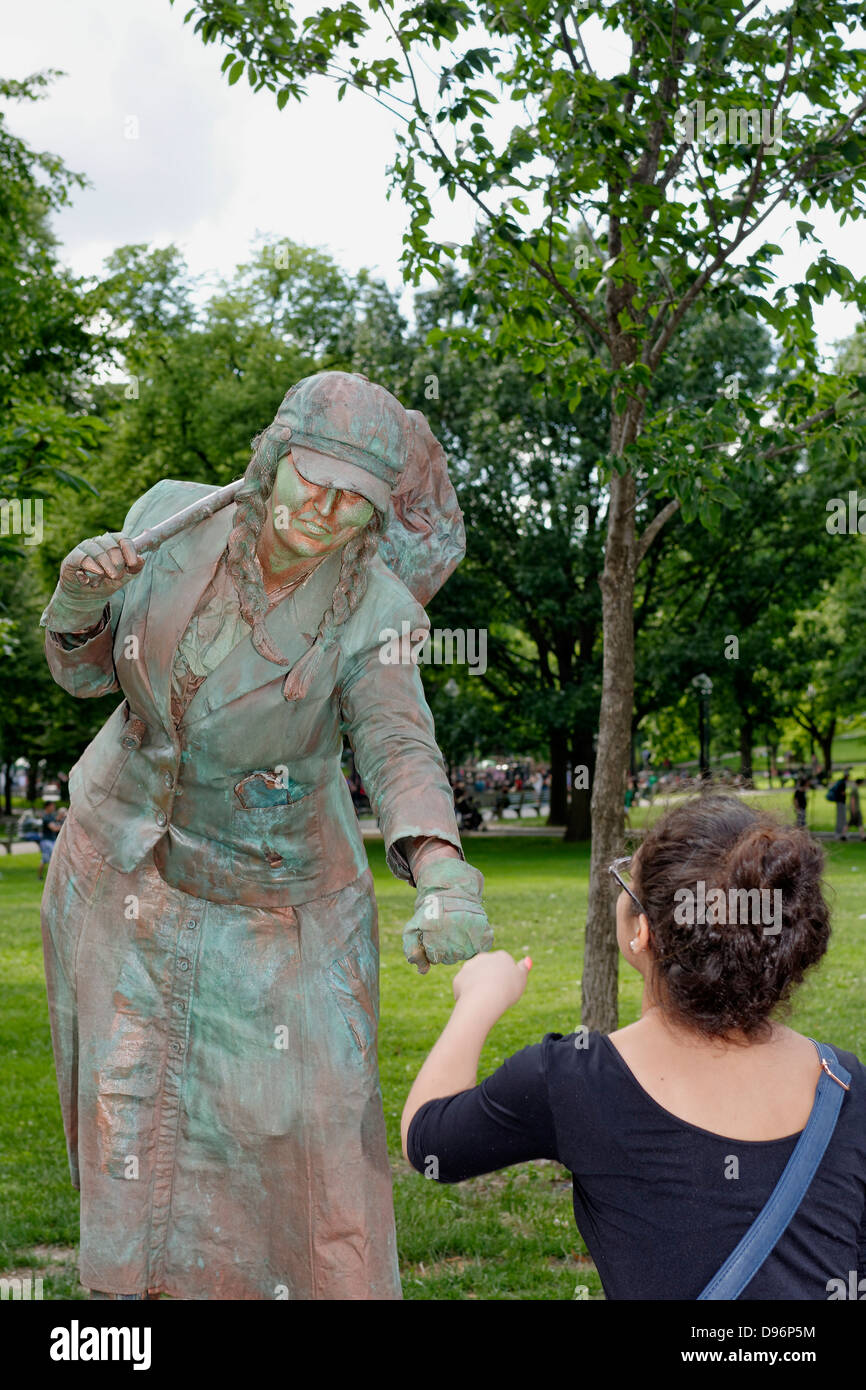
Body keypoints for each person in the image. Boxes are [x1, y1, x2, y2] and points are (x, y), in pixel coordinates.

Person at [39, 371, 493, 1301]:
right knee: (127, 1116)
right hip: (120, 866)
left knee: (310, 1127)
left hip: (279, 898)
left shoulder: (381, 618)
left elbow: (401, 746)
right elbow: (89, 678)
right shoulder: (172, 519)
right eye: (311, 479)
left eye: (355, 503)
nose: (323, 512)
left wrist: (442, 868)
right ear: (272, 459)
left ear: (377, 519)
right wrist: (77, 602)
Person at [402, 795, 866, 1299]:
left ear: (642, 932)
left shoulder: (574, 1080)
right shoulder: (845, 1083)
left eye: (627, 880)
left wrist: (479, 1000)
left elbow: (429, 1142)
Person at [38, 800, 62, 881]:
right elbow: (54, 828)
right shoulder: (46, 817)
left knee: (55, 859)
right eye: (52, 806)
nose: (54, 807)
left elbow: (56, 822)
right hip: (46, 841)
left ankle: (53, 877)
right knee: (45, 859)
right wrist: (64, 826)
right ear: (48, 807)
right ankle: (40, 877)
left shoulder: (51, 816)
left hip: (52, 840)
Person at [826, 772, 849, 840]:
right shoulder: (842, 783)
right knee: (841, 818)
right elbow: (842, 793)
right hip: (841, 803)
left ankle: (841, 833)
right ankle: (839, 833)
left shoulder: (840, 782)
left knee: (841, 818)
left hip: (839, 803)